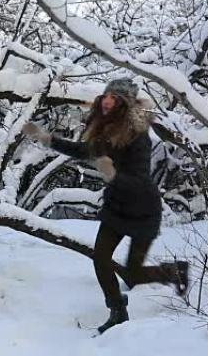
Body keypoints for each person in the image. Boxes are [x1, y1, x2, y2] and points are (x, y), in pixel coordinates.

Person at [22, 78, 189, 334]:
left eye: (114, 97)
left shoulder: (138, 136)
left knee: (132, 274)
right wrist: (46, 139)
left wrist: (113, 175)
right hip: (117, 207)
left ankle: (174, 272)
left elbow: (140, 180)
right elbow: (83, 150)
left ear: (124, 104)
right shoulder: (105, 129)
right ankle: (117, 310)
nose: (107, 100)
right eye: (106, 95)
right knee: (101, 258)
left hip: (143, 208)